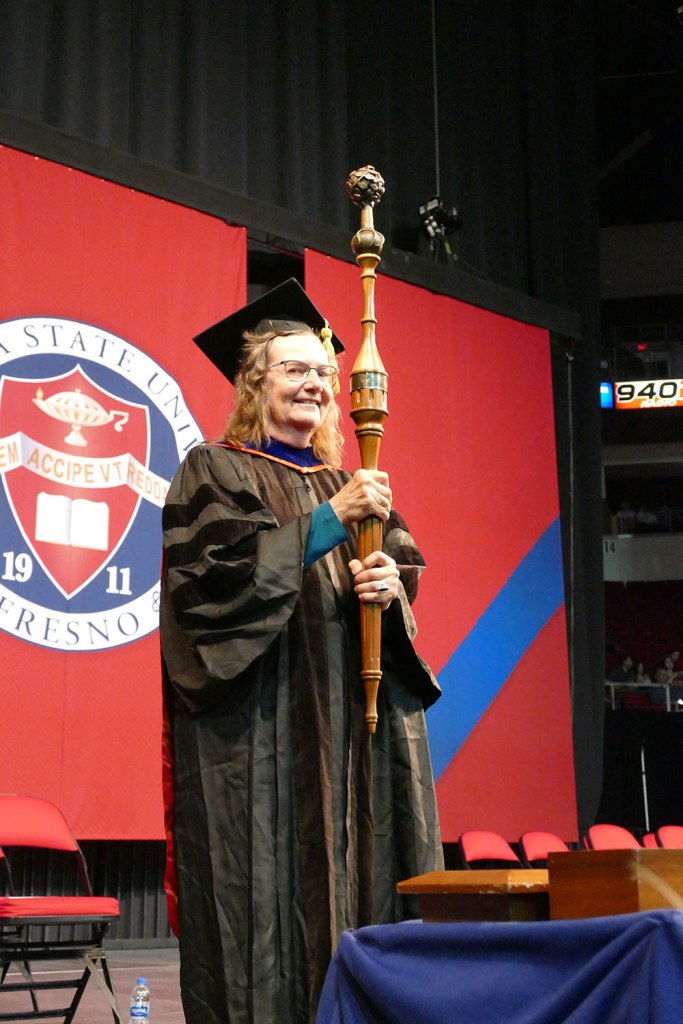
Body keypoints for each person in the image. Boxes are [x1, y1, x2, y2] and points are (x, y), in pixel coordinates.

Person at [160, 279, 443, 1024]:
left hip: (355, 731)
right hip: (262, 738)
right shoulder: (211, 470)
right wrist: (327, 523)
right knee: (263, 915)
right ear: (253, 383)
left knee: (372, 883)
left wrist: (392, 583)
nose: (316, 382)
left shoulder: (356, 482)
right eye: (294, 369)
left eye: (322, 372)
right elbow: (210, 588)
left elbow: (406, 571)